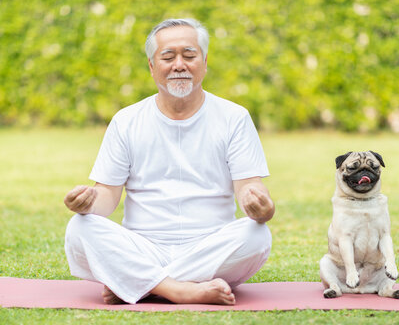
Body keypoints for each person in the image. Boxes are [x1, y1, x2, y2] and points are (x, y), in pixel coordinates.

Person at [63, 18, 275, 305]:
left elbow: (250, 187)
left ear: (204, 62)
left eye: (189, 56)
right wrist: (88, 202)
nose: (179, 65)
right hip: (143, 247)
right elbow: (106, 196)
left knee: (257, 235)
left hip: (209, 246)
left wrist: (261, 208)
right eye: (168, 57)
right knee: (80, 227)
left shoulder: (234, 117)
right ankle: (181, 290)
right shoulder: (126, 121)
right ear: (152, 66)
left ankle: (142, 284)